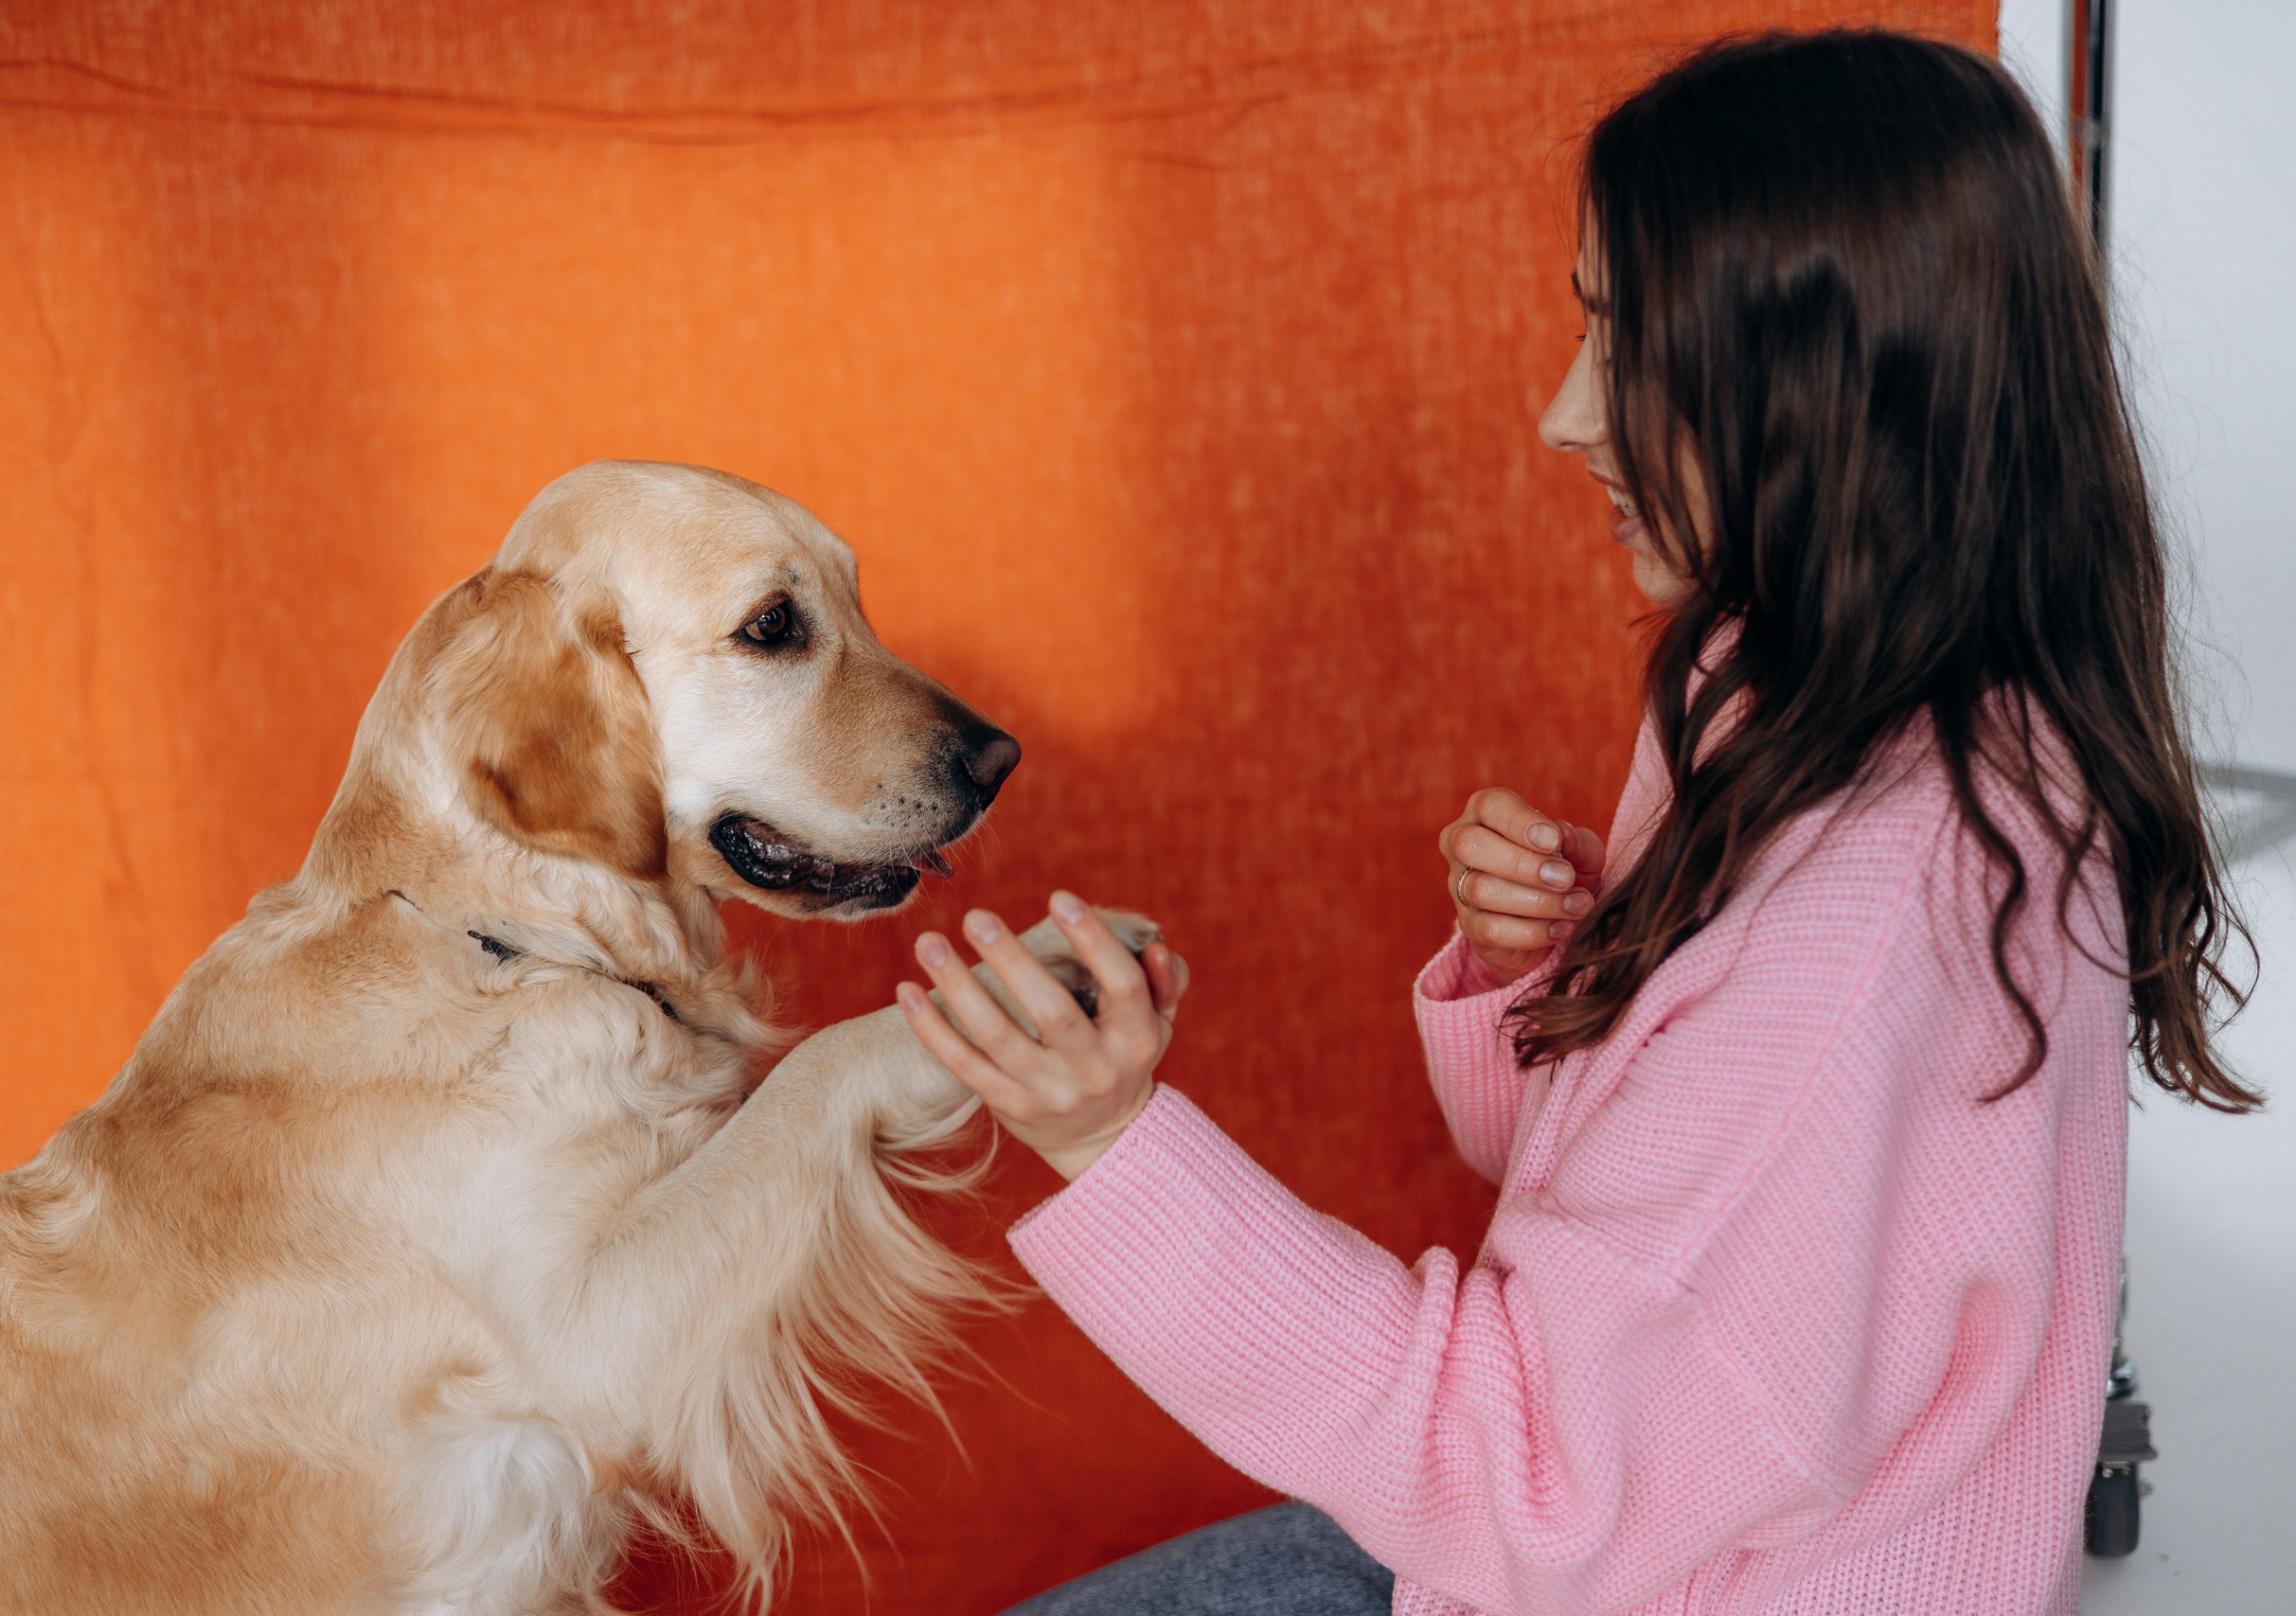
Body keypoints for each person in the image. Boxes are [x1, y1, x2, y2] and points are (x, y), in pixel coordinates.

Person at [894, 27, 2258, 1616]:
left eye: (1622, 346)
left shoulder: (1868, 911)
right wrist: (1562, 962)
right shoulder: (1828, 700)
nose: (1560, 416)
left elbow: (1530, 1473)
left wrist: (1109, 1143)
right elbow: (1650, 1239)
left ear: (1817, 378)